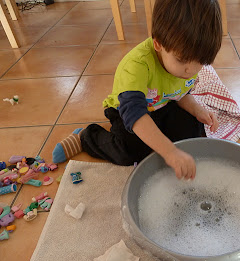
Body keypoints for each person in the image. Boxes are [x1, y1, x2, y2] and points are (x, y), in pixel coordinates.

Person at [52, 0, 223, 180]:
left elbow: (181, 95)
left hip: (163, 104)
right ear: (158, 44)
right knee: (130, 150)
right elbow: (134, 115)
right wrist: (169, 151)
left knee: (192, 130)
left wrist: (198, 110)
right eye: (181, 60)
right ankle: (87, 138)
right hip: (127, 111)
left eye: (201, 62)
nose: (190, 71)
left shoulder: (186, 64)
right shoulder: (136, 65)